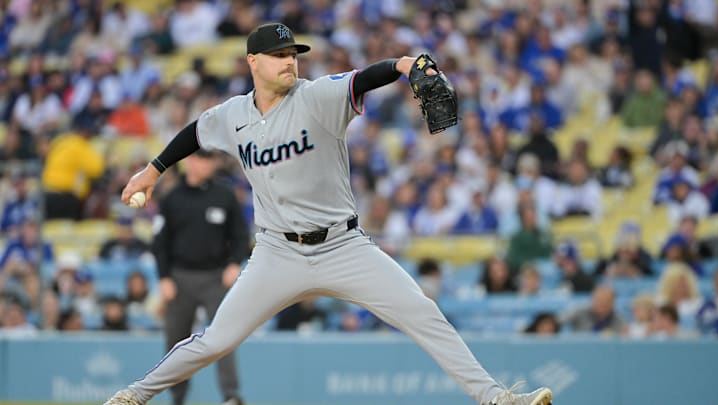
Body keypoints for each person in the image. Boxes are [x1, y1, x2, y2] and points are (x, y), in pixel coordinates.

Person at [104, 23, 552, 405]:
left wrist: (403, 64)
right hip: (277, 253)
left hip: (343, 245)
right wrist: (152, 170)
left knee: (422, 312)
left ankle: (496, 398)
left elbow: (362, 80)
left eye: (292, 54)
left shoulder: (318, 97)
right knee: (216, 340)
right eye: (278, 55)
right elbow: (195, 134)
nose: (289, 62)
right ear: (252, 62)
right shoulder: (232, 115)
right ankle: (134, 395)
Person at [151, 148, 249, 405]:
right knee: (176, 341)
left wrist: (233, 264)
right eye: (203, 158)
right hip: (180, 278)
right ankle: (177, 398)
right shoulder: (172, 198)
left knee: (224, 338)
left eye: (210, 158)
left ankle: (231, 396)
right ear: (189, 161)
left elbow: (240, 236)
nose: (208, 163)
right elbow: (160, 243)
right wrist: (164, 277)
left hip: (216, 277)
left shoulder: (224, 195)